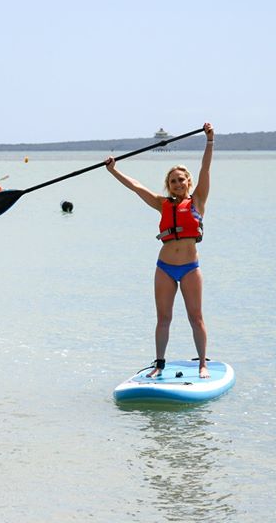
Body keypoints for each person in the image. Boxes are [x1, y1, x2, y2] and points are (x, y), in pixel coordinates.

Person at [105, 122, 215, 379]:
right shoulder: (161, 203)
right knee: (163, 318)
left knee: (195, 317)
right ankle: (159, 364)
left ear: (188, 182)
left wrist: (210, 140)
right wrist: (113, 170)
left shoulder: (198, 200)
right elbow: (135, 186)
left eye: (181, 180)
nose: (178, 183)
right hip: (164, 268)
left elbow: (205, 167)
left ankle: (202, 364)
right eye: (173, 181)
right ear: (168, 184)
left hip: (190, 269)